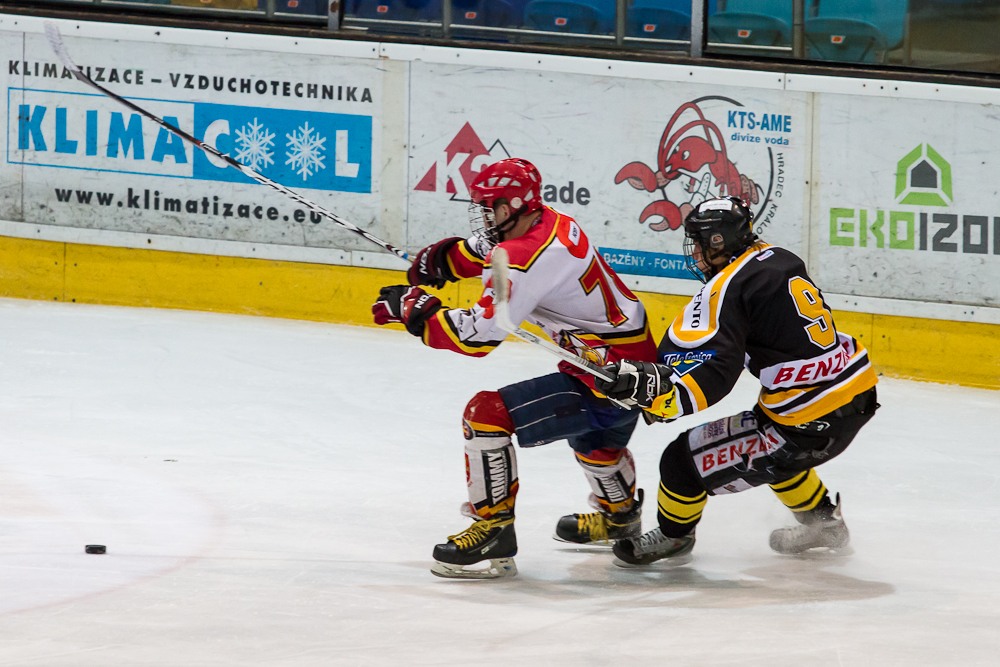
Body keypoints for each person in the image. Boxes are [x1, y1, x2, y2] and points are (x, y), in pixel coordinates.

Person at [371, 158, 658, 579]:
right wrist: (446, 260)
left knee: (485, 413)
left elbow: (478, 337)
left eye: (490, 208)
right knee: (594, 443)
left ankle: (494, 530)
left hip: (609, 378)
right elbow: (486, 250)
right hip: (631, 366)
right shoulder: (549, 221)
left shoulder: (526, 258)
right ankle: (621, 519)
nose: (485, 217)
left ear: (512, 207)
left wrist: (418, 313)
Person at [594, 196, 879, 566]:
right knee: (776, 454)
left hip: (807, 420)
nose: (695, 253)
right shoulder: (780, 257)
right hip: (856, 393)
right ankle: (824, 525)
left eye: (700, 243)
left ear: (719, 242)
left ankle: (674, 536)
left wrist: (665, 397)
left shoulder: (729, 285)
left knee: (681, 461)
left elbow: (717, 371)